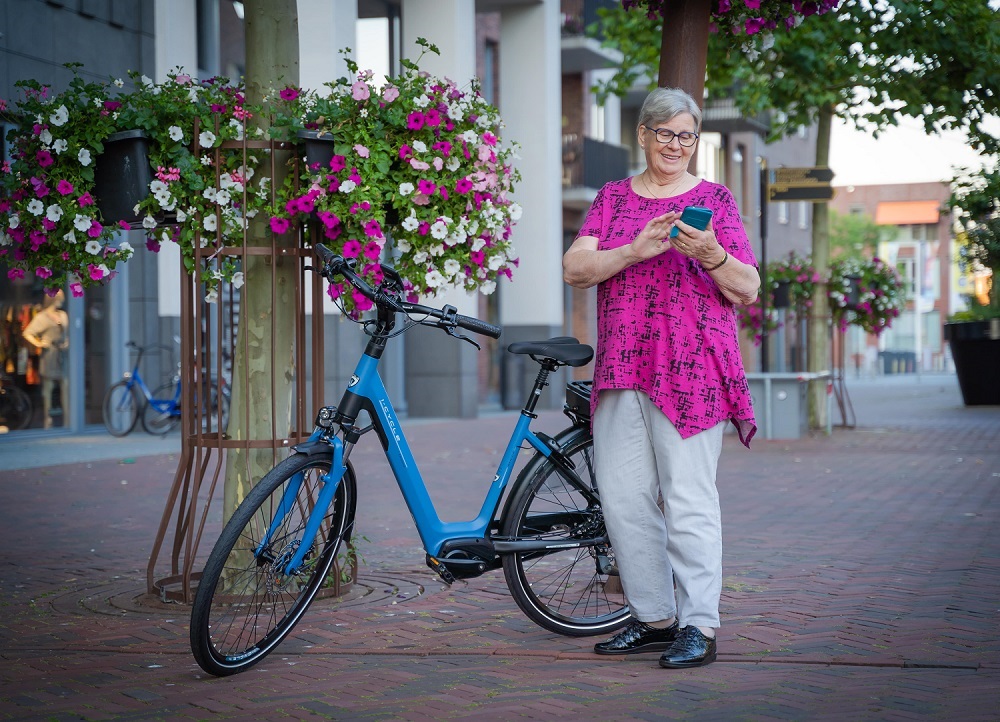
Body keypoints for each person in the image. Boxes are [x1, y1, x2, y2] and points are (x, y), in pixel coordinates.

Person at [563, 87, 759, 669]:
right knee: (624, 501)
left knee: (689, 499)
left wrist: (711, 254)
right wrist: (634, 249)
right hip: (623, 366)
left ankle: (699, 624)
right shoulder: (613, 198)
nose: (676, 145)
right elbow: (576, 267)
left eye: (687, 136)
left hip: (693, 371)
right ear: (643, 136)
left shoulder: (715, 200)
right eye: (665, 134)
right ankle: (653, 618)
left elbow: (748, 287)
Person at [23, 290, 69, 429]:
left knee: (65, 386)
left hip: (62, 354)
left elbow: (69, 332)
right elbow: (27, 333)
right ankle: (47, 420)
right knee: (48, 388)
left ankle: (68, 421)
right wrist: (39, 343)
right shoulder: (42, 317)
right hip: (49, 354)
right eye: (60, 298)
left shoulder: (63, 315)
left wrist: (67, 342)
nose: (62, 300)